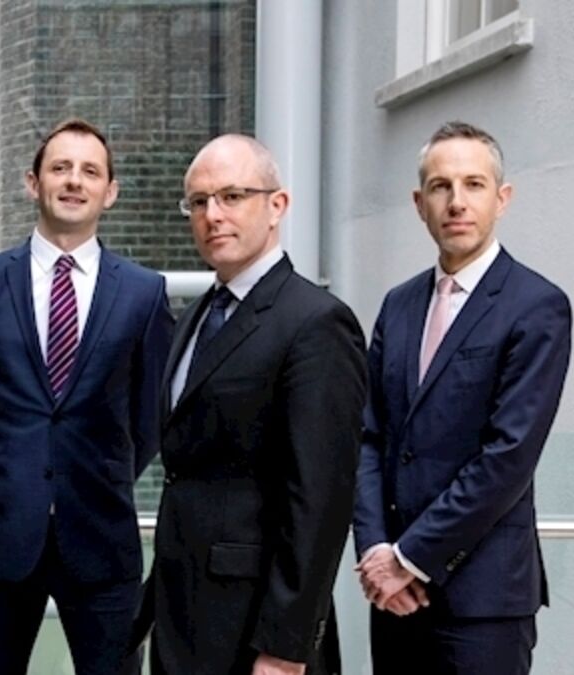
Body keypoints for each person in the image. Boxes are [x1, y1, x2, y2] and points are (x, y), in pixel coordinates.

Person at [0, 118, 173, 675]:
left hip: (102, 536)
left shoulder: (144, 294)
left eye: (90, 171)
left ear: (109, 192)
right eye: (60, 168)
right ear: (33, 183)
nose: (74, 181)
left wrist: (102, 472)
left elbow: (151, 414)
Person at [353, 121, 572, 675]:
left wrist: (409, 557)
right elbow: (368, 437)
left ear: (502, 198)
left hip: (482, 603)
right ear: (419, 204)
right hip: (395, 599)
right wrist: (375, 550)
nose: (456, 201)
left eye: (474, 184)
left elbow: (508, 457)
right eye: (440, 186)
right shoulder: (398, 306)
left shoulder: (536, 305)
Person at [143, 134, 366, 675]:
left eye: (232, 196)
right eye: (199, 202)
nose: (213, 215)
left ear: (277, 205)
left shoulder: (316, 322)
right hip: (182, 615)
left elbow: (320, 499)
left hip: (257, 630)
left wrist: (286, 647)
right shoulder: (195, 317)